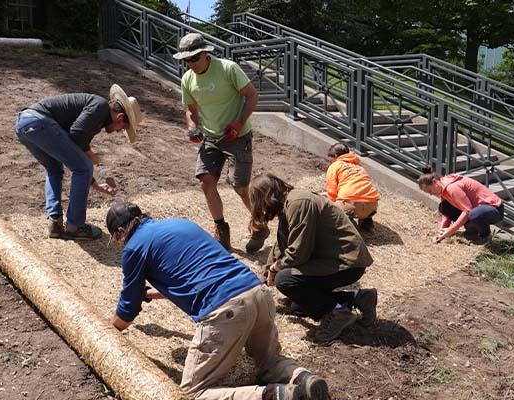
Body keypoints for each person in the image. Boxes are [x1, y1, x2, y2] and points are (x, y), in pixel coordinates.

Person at [106, 201, 331, 400]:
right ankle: (305, 380)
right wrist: (153, 294)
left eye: (115, 240)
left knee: (194, 393)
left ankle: (276, 395)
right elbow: (199, 275)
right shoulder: (179, 224)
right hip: (257, 293)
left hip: (226, 310)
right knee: (269, 362)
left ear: (119, 233)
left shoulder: (134, 248)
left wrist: (109, 331)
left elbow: (128, 306)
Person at [248, 173, 377, 343]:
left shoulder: (299, 203)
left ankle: (339, 314)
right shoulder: (289, 204)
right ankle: (358, 298)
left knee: (285, 280)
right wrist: (263, 275)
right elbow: (282, 245)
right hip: (329, 260)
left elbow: (298, 253)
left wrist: (275, 269)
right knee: (298, 307)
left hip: (347, 263)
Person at [173, 32, 268, 253]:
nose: (191, 64)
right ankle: (221, 229)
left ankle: (260, 226)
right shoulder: (188, 78)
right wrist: (192, 127)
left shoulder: (228, 69)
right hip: (211, 137)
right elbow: (191, 109)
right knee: (206, 181)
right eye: (186, 60)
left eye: (194, 58)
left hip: (238, 136)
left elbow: (252, 96)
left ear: (206, 53)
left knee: (241, 187)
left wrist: (238, 122)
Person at [14, 84, 142, 240]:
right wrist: (91, 155)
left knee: (54, 169)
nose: (118, 131)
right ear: (120, 117)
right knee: (83, 166)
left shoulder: (97, 117)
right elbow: (76, 134)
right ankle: (75, 227)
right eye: (123, 128)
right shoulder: (100, 106)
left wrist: (95, 184)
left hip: (24, 124)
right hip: (40, 123)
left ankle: (54, 222)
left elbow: (77, 150)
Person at [418, 167, 503, 245]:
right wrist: (441, 233)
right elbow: (446, 212)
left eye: (430, 190)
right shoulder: (443, 186)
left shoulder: (452, 188)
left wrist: (451, 230)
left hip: (495, 209)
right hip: (477, 209)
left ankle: (485, 236)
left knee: (474, 214)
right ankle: (472, 231)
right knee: (444, 207)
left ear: (434, 182)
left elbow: (467, 210)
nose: (431, 194)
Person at [325, 142, 380, 230]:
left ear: (335, 156)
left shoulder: (335, 166)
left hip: (352, 206)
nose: (330, 162)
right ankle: (366, 222)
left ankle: (348, 223)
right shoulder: (359, 167)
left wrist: (332, 205)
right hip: (372, 205)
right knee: (360, 195)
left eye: (330, 160)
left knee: (331, 210)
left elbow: (332, 191)